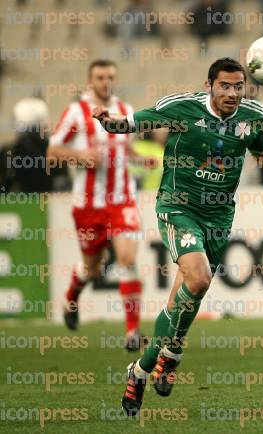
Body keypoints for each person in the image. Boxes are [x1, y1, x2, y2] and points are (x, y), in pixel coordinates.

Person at [92, 57, 263, 416]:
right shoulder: (181, 108)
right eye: (225, 86)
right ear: (210, 86)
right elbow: (135, 122)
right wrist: (111, 123)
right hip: (177, 207)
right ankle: (171, 354)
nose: (232, 93)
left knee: (183, 299)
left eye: (238, 86)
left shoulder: (253, 117)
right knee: (199, 278)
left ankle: (142, 369)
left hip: (218, 215)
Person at [47, 59, 151, 351]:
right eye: (100, 77)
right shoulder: (75, 112)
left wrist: (141, 159)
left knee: (128, 259)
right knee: (93, 270)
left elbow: (125, 146)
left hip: (122, 200)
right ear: (90, 80)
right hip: (88, 206)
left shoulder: (126, 110)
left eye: (111, 76)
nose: (106, 81)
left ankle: (132, 332)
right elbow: (52, 151)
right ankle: (71, 300)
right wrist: (79, 156)